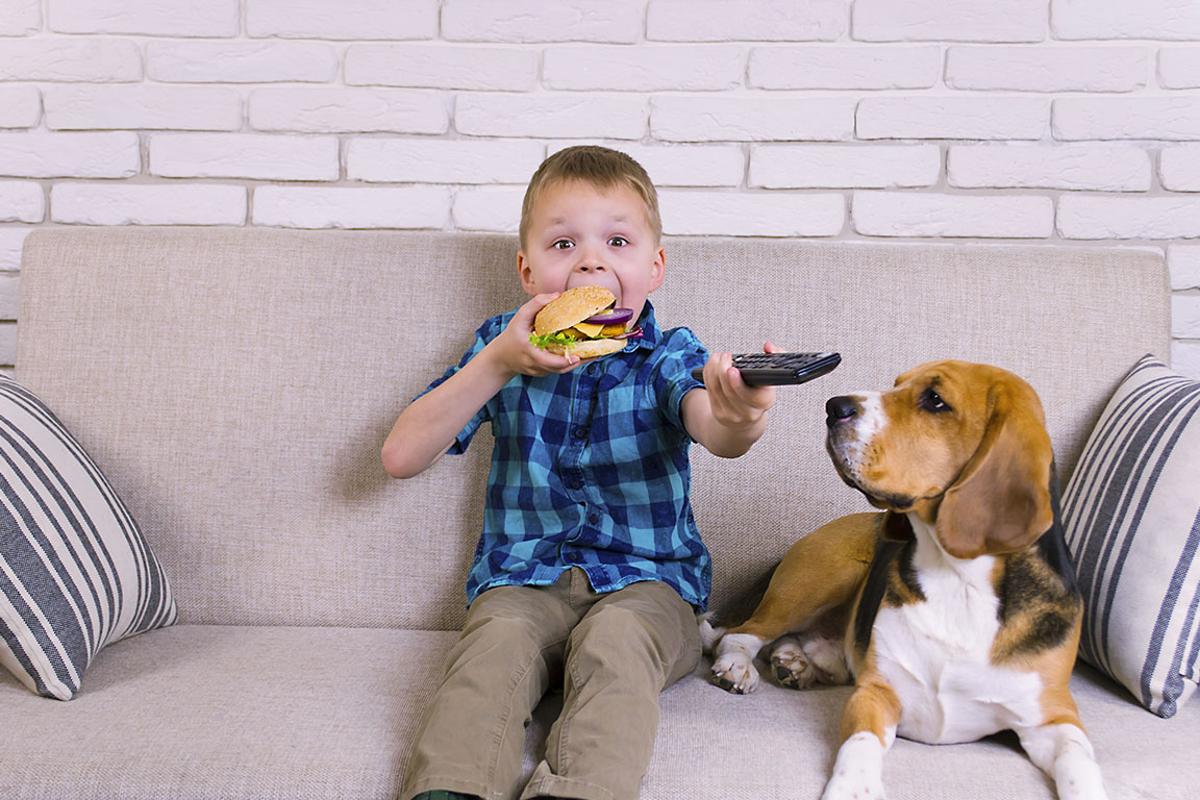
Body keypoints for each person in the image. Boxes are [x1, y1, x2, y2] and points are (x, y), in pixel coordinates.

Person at [382, 145, 777, 800]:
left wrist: (743, 414)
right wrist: (500, 362)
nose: (592, 259)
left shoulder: (668, 354)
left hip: (651, 588)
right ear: (527, 267)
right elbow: (400, 456)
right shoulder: (498, 346)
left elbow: (718, 429)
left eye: (617, 240)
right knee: (493, 649)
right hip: (523, 581)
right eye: (564, 243)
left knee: (617, 641)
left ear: (653, 267)